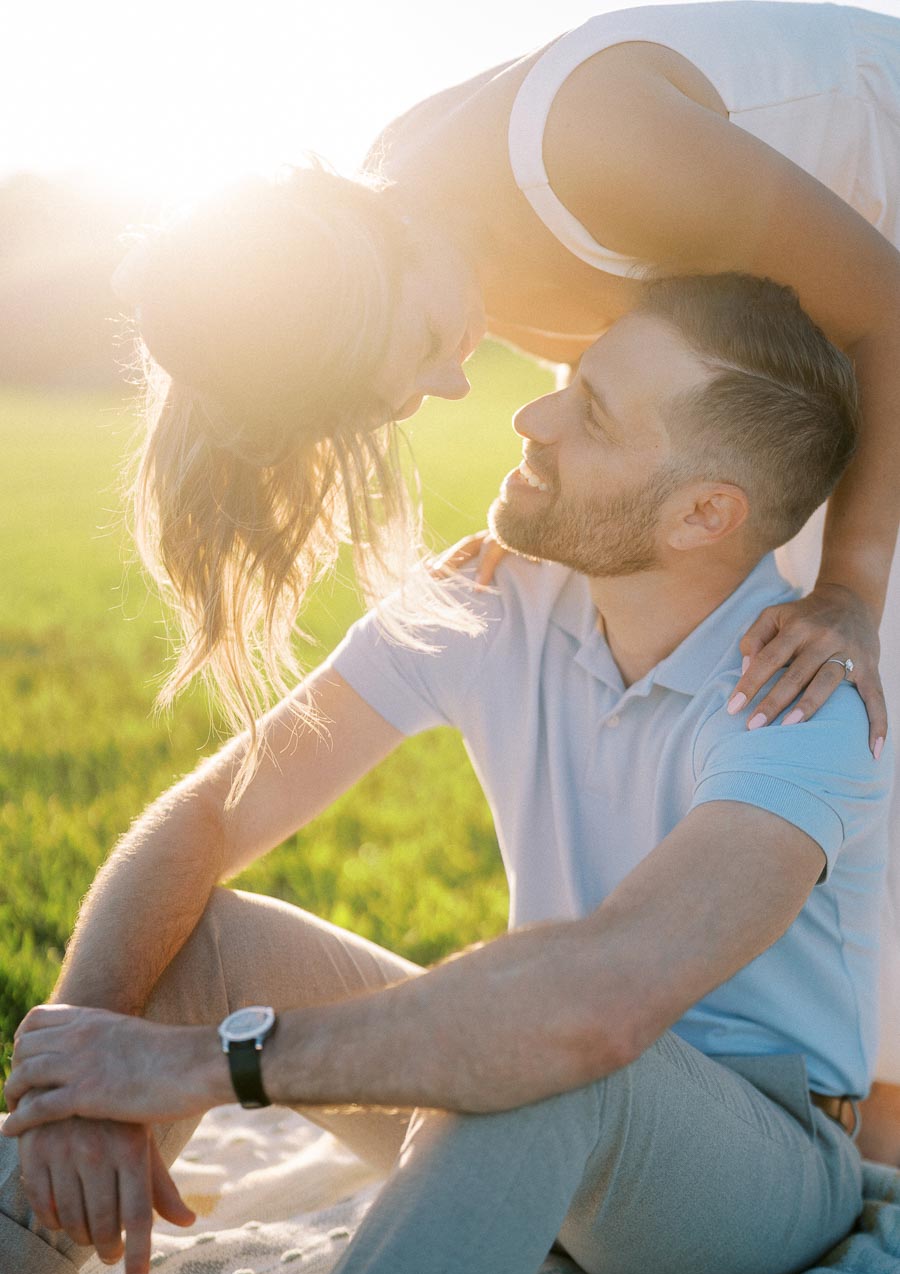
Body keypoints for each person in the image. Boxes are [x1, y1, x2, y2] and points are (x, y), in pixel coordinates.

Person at [0, 275, 891, 1274]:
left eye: (592, 413)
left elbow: (599, 1006)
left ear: (705, 512)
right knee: (207, 935)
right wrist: (83, 1064)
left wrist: (193, 1066)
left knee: (555, 1054)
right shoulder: (489, 597)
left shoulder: (799, 697)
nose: (531, 417)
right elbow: (207, 818)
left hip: (757, 1166)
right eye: (571, 381)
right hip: (526, 1075)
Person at [114, 2, 900, 1146]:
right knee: (755, 663)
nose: (447, 389)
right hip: (823, 335)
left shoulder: (598, 152)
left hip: (883, 294)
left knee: (841, 683)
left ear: (382, 265)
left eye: (429, 347)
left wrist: (854, 586)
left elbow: (885, 309)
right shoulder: (417, 225)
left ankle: (858, 1136)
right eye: (416, 381)